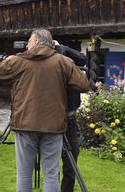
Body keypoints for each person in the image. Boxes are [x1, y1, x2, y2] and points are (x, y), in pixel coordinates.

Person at [0, 29, 89, 192]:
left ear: (36, 41)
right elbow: (83, 85)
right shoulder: (63, 62)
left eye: (29, 40)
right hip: (53, 126)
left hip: (25, 124)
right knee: (51, 174)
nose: (27, 44)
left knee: (24, 174)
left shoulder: (19, 60)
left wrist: (12, 60)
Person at [53, 41, 87, 192]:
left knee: (71, 159)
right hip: (52, 119)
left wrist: (63, 48)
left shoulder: (71, 67)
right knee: (52, 161)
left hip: (70, 119)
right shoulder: (48, 64)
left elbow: (83, 59)